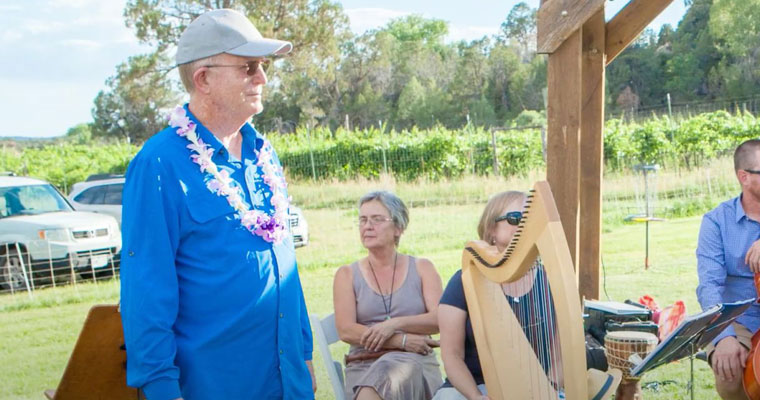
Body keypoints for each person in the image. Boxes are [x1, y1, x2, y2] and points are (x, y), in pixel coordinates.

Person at [120, 9, 315, 400]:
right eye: (247, 67)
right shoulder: (159, 164)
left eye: (262, 66)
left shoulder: (263, 153)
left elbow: (285, 264)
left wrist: (304, 352)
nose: (261, 78)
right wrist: (162, 390)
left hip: (287, 381)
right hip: (215, 385)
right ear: (203, 78)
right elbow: (146, 293)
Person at [434, 191, 620, 400]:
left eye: (527, 221)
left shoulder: (551, 282)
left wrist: (545, 389)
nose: (523, 227)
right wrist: (476, 396)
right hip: (471, 388)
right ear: (491, 229)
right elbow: (451, 355)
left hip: (537, 389)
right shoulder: (463, 282)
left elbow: (562, 355)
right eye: (515, 219)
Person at [696, 138, 760, 400]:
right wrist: (724, 336)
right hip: (740, 318)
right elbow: (709, 287)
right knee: (730, 373)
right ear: (744, 177)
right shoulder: (716, 222)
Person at [333, 191, 444, 400]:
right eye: (363, 220)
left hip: (414, 361)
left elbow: (439, 319)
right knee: (382, 373)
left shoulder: (423, 268)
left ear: (398, 228)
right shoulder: (346, 274)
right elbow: (346, 330)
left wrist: (393, 324)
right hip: (364, 364)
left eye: (376, 219)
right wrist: (398, 340)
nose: (367, 226)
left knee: (392, 370)